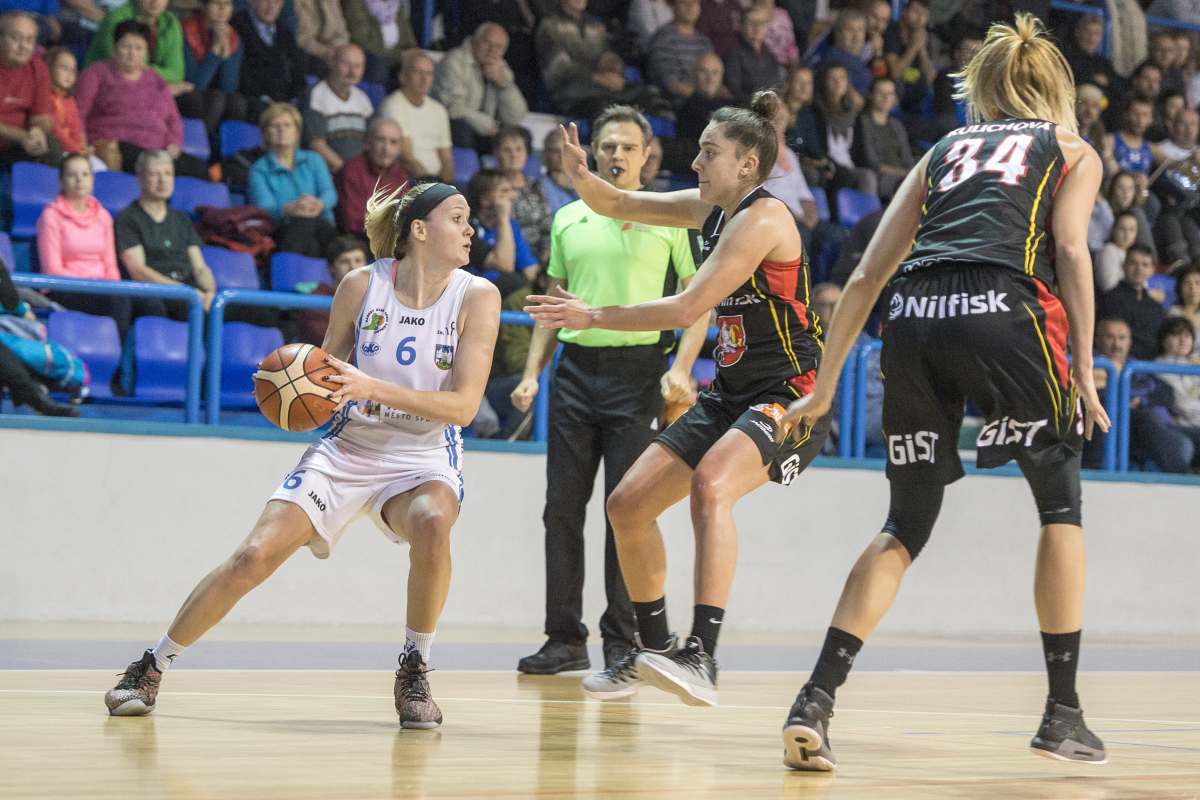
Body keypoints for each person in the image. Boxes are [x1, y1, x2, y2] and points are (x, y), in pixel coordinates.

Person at [774, 15, 1110, 771]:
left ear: (983, 87)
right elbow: (1068, 247)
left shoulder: (944, 148)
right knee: (1059, 504)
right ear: (1056, 88)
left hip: (916, 315)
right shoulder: (1071, 149)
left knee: (906, 522)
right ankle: (1062, 715)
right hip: (1004, 307)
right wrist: (1084, 367)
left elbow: (867, 273)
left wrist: (824, 387)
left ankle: (815, 700)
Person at [103, 181, 502, 731]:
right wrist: (289, 384)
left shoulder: (478, 296)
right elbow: (322, 372)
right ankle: (152, 665)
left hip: (422, 454)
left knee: (433, 521)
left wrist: (371, 387)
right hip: (348, 448)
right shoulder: (361, 285)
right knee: (252, 557)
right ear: (418, 229)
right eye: (457, 217)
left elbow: (463, 406)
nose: (469, 229)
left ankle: (414, 668)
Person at [524, 93, 829, 702]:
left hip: (792, 395)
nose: (694, 163)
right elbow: (617, 202)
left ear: (746, 164)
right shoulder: (708, 209)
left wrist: (594, 315)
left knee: (711, 486)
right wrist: (580, 176)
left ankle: (702, 656)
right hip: (731, 392)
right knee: (627, 505)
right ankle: (654, 651)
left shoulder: (764, 219)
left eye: (709, 153)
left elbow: (688, 307)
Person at [513, 105, 708, 678]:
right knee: (560, 510)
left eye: (627, 147)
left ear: (647, 155)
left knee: (626, 511)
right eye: (607, 147)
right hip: (575, 373)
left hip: (640, 374)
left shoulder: (669, 217)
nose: (617, 155)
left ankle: (622, 641)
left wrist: (683, 367)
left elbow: (698, 303)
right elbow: (554, 302)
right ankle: (563, 638)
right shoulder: (567, 217)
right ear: (593, 154)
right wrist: (531, 372)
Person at [76, 19, 208, 177]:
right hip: (117, 146)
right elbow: (78, 113)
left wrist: (174, 142)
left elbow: (173, 119)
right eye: (126, 47)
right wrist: (82, 143)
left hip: (158, 150)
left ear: (146, 52)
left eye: (139, 48)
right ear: (114, 47)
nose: (132, 53)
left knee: (201, 170)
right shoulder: (96, 73)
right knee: (146, 163)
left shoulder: (156, 80)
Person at [115, 149, 218, 317]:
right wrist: (185, 293)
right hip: (157, 291)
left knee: (254, 312)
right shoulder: (127, 219)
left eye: (168, 174)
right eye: (154, 174)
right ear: (140, 179)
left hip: (189, 290)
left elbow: (200, 267)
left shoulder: (182, 219)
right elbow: (138, 271)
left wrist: (210, 293)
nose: (163, 180)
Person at [247, 101, 338, 258]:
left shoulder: (314, 159)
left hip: (321, 223)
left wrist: (319, 204)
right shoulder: (259, 169)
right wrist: (289, 209)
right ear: (265, 133)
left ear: (297, 132)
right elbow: (264, 207)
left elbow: (329, 192)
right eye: (275, 126)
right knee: (306, 233)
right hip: (283, 228)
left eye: (287, 125)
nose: (281, 130)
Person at [433, 22, 528, 152]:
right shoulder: (454, 61)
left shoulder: (501, 67)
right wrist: (490, 126)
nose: (492, 51)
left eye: (498, 47)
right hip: (451, 128)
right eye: (487, 43)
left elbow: (516, 116)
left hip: (486, 130)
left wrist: (503, 84)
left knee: (522, 136)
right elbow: (454, 109)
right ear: (474, 42)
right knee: (461, 128)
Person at [177, 0, 255, 141]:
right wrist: (214, 54)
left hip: (216, 95)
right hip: (188, 94)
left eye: (227, 4)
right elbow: (194, 85)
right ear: (204, 6)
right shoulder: (186, 32)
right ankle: (203, 148)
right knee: (216, 99)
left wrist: (226, 52)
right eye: (216, 3)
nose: (222, 9)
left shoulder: (233, 37)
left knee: (237, 102)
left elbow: (229, 87)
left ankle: (229, 152)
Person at [379, 50, 454, 183]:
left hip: (437, 182)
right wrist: (429, 185)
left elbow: (447, 159)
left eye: (429, 73)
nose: (424, 79)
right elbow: (407, 157)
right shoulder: (393, 105)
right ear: (403, 77)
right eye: (418, 72)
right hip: (411, 181)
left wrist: (446, 186)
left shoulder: (439, 110)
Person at [300, 43, 373, 175]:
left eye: (358, 66)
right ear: (332, 63)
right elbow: (316, 144)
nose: (352, 71)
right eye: (346, 64)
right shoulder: (316, 94)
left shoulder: (363, 99)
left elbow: (371, 142)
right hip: (328, 174)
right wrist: (347, 173)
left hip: (359, 174)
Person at [86, 0, 187, 94]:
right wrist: (165, 88)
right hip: (110, 87)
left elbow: (176, 73)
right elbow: (129, 69)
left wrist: (151, 75)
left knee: (189, 96)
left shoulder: (171, 22)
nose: (155, 1)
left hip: (151, 86)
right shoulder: (116, 20)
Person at [0, 11, 60, 167]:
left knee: (50, 147)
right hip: (17, 137)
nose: (23, 46)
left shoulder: (38, 67)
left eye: (29, 40)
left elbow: (42, 116)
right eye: (16, 38)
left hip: (16, 144)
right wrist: (21, 136)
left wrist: (37, 131)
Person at [333, 115, 408, 236]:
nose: (386, 148)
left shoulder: (401, 174)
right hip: (360, 238)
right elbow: (352, 223)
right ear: (367, 143)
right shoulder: (351, 170)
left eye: (393, 142)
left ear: (399, 149)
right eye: (381, 140)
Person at [493, 126, 552, 267]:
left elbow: (547, 228)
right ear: (497, 154)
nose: (514, 155)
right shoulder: (490, 187)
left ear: (527, 154)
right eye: (507, 150)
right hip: (506, 257)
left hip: (540, 258)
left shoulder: (536, 186)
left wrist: (546, 257)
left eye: (519, 149)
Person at [230, 0, 306, 104]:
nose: (271, 6)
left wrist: (294, 99)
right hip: (252, 99)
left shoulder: (284, 31)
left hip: (284, 103)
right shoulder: (237, 26)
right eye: (266, 0)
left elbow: (298, 71)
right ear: (252, 2)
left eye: (277, 2)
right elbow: (241, 76)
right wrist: (265, 100)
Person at [853, 77, 915, 201]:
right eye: (880, 93)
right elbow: (872, 162)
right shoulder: (863, 122)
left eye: (890, 94)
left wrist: (912, 173)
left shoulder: (896, 124)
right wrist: (905, 174)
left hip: (903, 175)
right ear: (871, 95)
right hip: (882, 177)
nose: (886, 98)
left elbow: (907, 158)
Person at [645, 0, 713, 106]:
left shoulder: (704, 41)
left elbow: (714, 77)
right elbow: (670, 83)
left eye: (695, 3)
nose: (690, 7)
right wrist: (702, 98)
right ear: (673, 6)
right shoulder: (663, 39)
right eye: (684, 2)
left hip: (703, 100)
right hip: (676, 104)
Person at [341, 0, 417, 85]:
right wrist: (398, 55)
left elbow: (409, 39)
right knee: (378, 66)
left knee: (420, 63)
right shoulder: (355, 2)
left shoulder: (394, 3)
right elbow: (362, 40)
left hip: (395, 55)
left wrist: (413, 54)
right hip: (370, 54)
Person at [722, 3, 783, 105]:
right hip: (745, 108)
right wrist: (759, 105)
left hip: (769, 107)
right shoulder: (734, 54)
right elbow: (734, 91)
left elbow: (777, 85)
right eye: (751, 23)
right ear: (742, 26)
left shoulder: (770, 56)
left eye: (761, 23)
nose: (757, 27)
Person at [534, 126, 578, 217]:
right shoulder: (538, 186)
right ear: (547, 154)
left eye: (566, 151)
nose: (561, 156)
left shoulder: (585, 182)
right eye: (556, 151)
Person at [1094, 211, 1139, 293]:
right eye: (1122, 229)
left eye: (1131, 230)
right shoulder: (1108, 250)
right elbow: (1107, 285)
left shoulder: (1133, 254)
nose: (1127, 234)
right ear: (1113, 230)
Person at [1167, 265, 1200, 351]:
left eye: (1197, 283)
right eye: (1187, 283)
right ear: (1180, 288)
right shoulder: (1173, 314)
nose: (1193, 288)